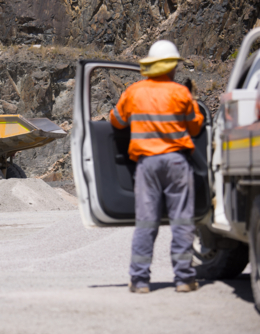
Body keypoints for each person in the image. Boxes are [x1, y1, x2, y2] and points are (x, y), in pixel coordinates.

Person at [109, 40, 204, 293]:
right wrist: (192, 101)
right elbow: (195, 127)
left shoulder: (134, 91)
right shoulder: (181, 93)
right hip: (176, 162)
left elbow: (116, 122)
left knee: (146, 222)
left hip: (147, 165)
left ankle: (140, 281)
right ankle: (184, 279)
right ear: (172, 67)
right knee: (182, 221)